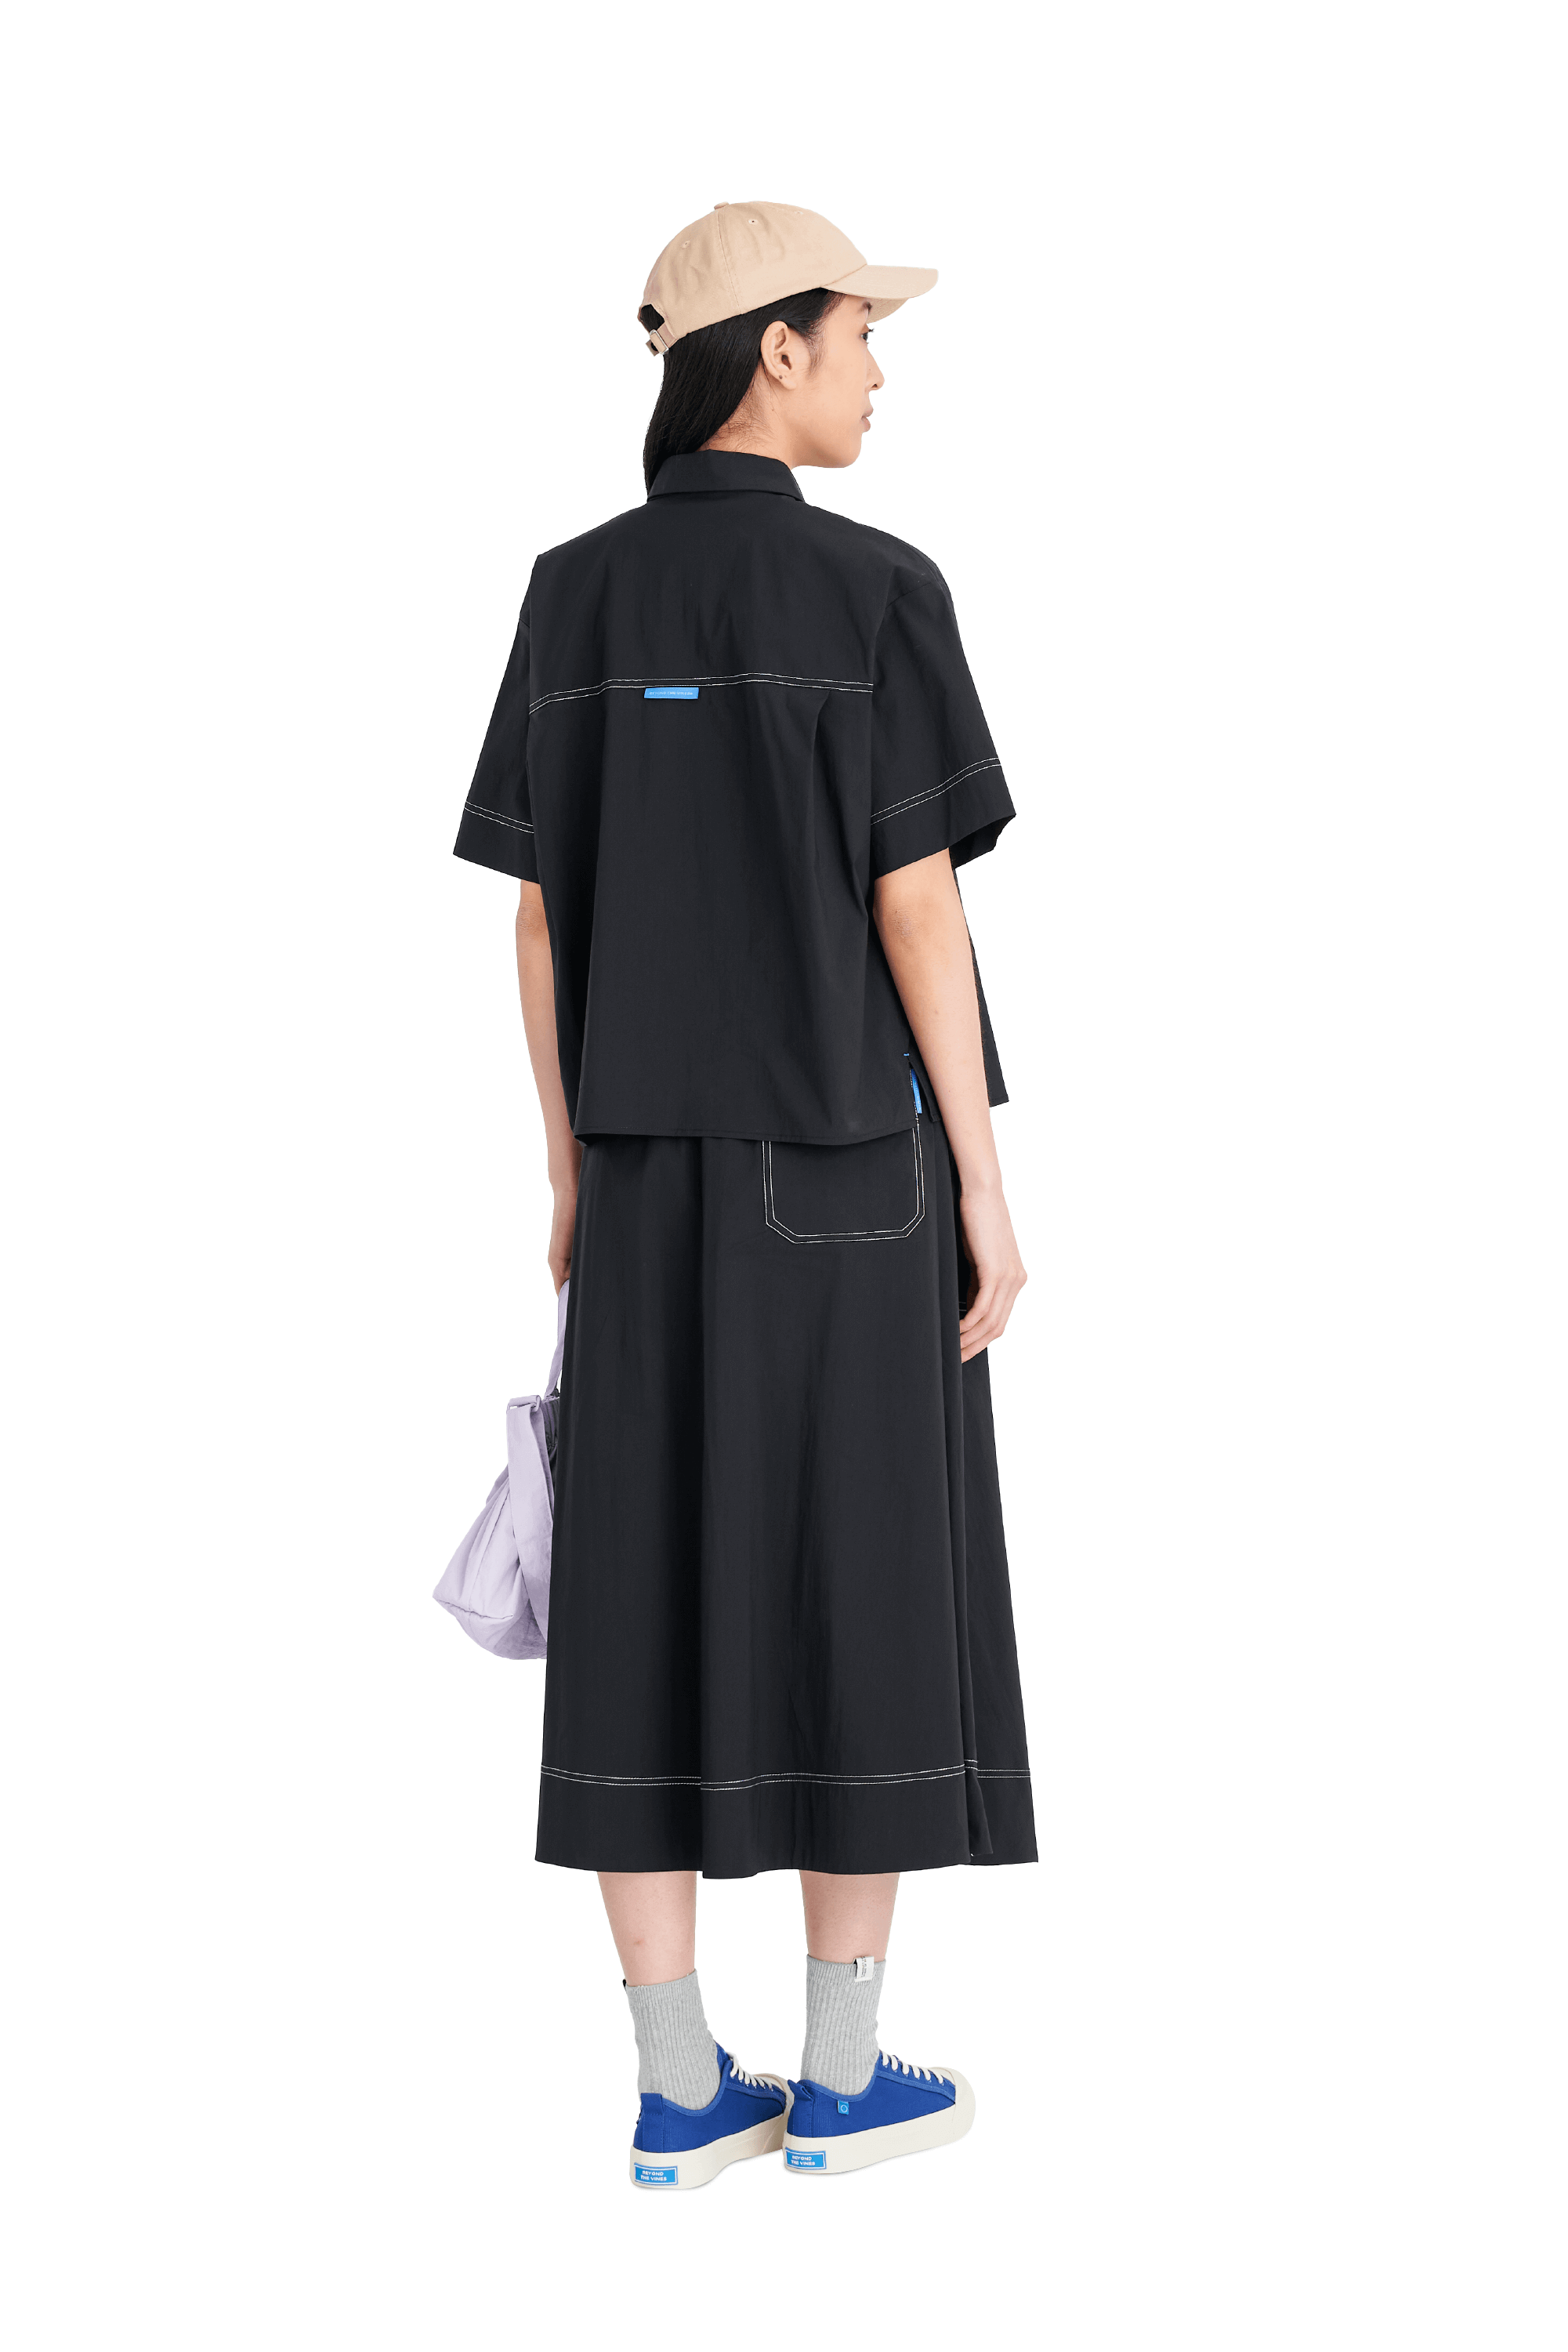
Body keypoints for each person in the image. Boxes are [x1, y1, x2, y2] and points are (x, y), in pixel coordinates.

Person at [453, 201, 1035, 2188]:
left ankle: (676, 2090)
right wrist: (985, 1182)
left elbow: (542, 919)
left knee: (634, 1592)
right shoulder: (874, 588)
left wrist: (570, 1168)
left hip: (639, 1173)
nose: (879, 371)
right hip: (852, 1172)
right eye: (860, 335)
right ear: (774, 349)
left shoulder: (573, 594)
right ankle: (844, 2084)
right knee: (863, 1583)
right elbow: (914, 903)